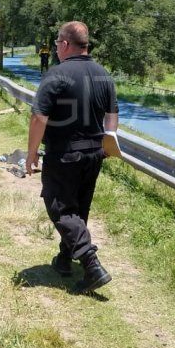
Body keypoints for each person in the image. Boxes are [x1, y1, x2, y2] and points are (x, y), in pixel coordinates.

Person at [26, 21, 118, 294]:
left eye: (56, 43)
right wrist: (108, 146)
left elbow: (38, 117)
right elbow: (112, 118)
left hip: (64, 153)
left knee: (60, 208)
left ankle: (91, 265)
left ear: (65, 44)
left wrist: (31, 153)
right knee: (79, 209)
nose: (55, 47)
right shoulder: (104, 74)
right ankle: (65, 259)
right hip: (95, 153)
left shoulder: (56, 75)